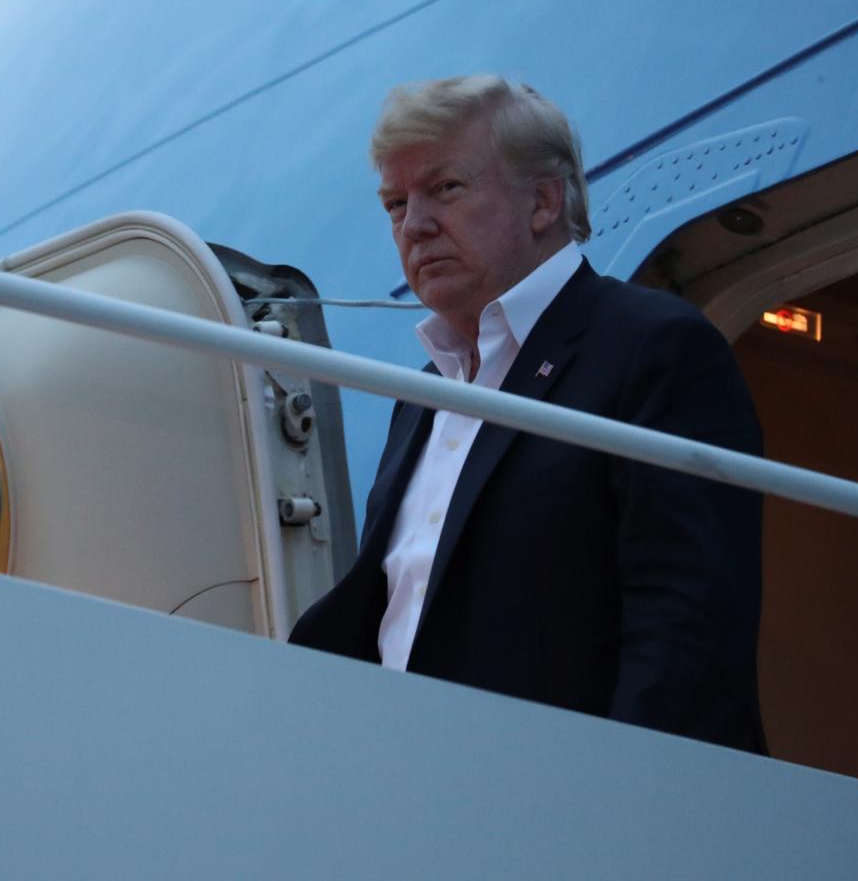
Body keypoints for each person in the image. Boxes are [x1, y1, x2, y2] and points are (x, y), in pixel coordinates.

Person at [290, 76, 766, 752]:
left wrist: (621, 816)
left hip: (577, 818)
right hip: (420, 801)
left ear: (543, 200)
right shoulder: (425, 395)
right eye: (396, 203)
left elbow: (687, 627)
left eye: (444, 189)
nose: (414, 225)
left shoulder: (653, 347)